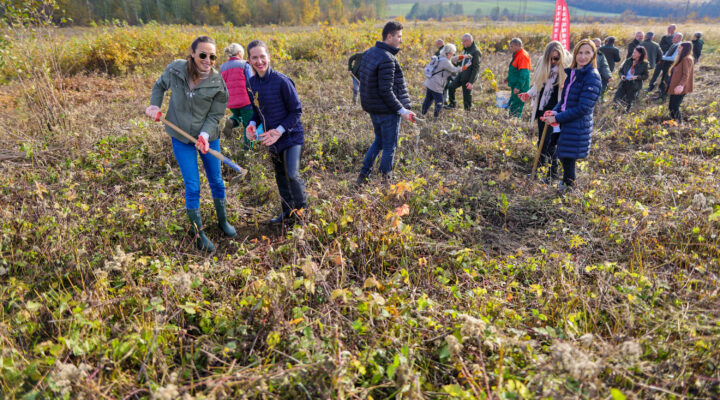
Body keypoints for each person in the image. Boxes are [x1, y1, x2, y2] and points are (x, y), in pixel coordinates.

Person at [146, 36, 234, 252]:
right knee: (193, 186)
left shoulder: (217, 83)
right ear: (193, 54)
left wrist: (204, 135)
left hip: (208, 137)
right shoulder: (176, 70)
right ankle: (198, 233)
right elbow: (159, 86)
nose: (208, 60)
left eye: (212, 56)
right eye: (203, 54)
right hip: (181, 136)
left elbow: (216, 115)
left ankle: (223, 221)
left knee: (217, 181)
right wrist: (154, 106)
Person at [244, 40, 308, 224]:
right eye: (254, 58)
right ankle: (287, 213)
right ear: (249, 60)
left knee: (292, 175)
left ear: (269, 57)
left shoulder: (282, 81)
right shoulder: (251, 83)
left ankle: (302, 216)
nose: (259, 61)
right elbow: (257, 111)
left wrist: (279, 131)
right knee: (280, 176)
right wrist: (252, 124)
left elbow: (296, 111)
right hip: (272, 139)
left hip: (291, 136)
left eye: (262, 56)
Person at [357, 21, 415, 184]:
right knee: (390, 145)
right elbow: (386, 90)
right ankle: (386, 181)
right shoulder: (387, 59)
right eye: (399, 36)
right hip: (387, 110)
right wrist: (402, 110)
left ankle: (363, 175)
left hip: (373, 108)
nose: (401, 40)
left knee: (379, 141)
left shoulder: (370, 52)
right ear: (389, 37)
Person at [543, 39, 602, 192]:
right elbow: (565, 99)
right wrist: (555, 111)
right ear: (575, 54)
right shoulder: (573, 73)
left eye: (587, 53)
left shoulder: (592, 77)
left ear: (593, 55)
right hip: (566, 122)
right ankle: (565, 184)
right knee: (562, 154)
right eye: (580, 53)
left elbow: (583, 108)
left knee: (568, 158)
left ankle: (569, 189)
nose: (583, 56)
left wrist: (557, 118)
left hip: (576, 125)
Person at [518, 41, 571, 181]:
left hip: (556, 111)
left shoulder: (567, 67)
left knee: (550, 143)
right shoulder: (543, 64)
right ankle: (539, 170)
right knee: (541, 141)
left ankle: (553, 174)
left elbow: (571, 90)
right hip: (542, 109)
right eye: (550, 58)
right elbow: (537, 85)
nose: (553, 61)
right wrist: (528, 94)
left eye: (556, 58)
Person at [220, 43, 255, 151]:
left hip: (232, 102)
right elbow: (251, 82)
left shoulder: (223, 67)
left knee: (238, 115)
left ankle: (232, 121)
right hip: (246, 101)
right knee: (248, 125)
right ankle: (248, 150)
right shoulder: (244, 64)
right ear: (239, 53)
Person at [422, 44, 463, 120]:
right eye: (453, 53)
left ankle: (423, 113)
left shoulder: (441, 57)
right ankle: (436, 119)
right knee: (440, 101)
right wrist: (465, 67)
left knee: (428, 99)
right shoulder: (445, 62)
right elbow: (454, 69)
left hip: (430, 82)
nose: (453, 54)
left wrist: (462, 57)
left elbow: (452, 59)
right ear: (448, 53)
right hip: (436, 85)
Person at [445, 33, 481, 110]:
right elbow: (465, 61)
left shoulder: (476, 52)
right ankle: (452, 104)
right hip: (461, 74)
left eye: (463, 42)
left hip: (468, 78)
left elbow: (476, 68)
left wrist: (471, 82)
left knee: (466, 98)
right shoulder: (467, 49)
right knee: (451, 86)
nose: (462, 44)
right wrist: (458, 63)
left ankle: (468, 113)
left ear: (467, 41)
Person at [613, 46, 649, 112]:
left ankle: (625, 112)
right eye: (633, 52)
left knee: (628, 101)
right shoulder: (628, 61)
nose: (633, 54)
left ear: (640, 54)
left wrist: (637, 77)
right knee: (617, 98)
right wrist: (621, 75)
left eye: (635, 53)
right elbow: (621, 71)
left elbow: (646, 76)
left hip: (634, 85)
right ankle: (614, 112)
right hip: (624, 82)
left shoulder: (644, 64)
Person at [666, 41, 694, 123]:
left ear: (685, 49)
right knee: (671, 106)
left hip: (679, 87)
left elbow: (686, 74)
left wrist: (681, 85)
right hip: (675, 86)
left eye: (680, 48)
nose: (678, 49)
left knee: (675, 106)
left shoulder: (686, 59)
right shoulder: (682, 58)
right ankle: (673, 122)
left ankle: (679, 123)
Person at [506, 38, 531, 118]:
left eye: (512, 46)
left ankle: (515, 122)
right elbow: (515, 70)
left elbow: (524, 73)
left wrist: (518, 86)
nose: (510, 48)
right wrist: (508, 78)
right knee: (513, 104)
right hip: (516, 85)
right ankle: (511, 121)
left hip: (520, 87)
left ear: (518, 46)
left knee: (516, 106)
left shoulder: (522, 56)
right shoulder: (517, 55)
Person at [654, 32, 683, 101]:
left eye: (675, 38)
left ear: (679, 39)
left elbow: (673, 58)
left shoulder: (679, 46)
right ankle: (661, 95)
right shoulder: (674, 45)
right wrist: (663, 57)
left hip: (671, 66)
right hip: (667, 66)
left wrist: (661, 57)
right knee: (663, 80)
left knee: (666, 81)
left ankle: (664, 97)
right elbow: (667, 54)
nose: (672, 39)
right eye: (673, 37)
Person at [648, 24, 677, 90]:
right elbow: (660, 45)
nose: (668, 29)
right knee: (656, 73)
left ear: (674, 29)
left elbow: (672, 45)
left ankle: (662, 88)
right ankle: (651, 86)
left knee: (665, 75)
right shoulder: (664, 36)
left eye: (670, 28)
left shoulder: (676, 36)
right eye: (668, 28)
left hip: (669, 60)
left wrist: (668, 38)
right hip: (661, 58)